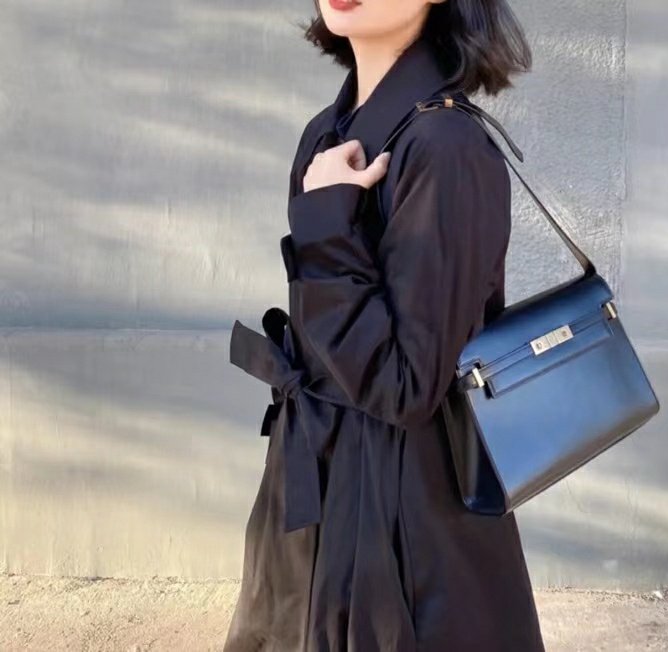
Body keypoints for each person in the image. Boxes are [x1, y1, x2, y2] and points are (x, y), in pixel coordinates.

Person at [223, 1, 546, 650]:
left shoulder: (448, 148)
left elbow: (406, 384)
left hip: (401, 521)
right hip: (314, 480)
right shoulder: (326, 133)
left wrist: (326, 221)